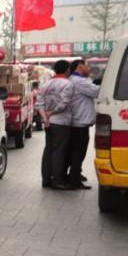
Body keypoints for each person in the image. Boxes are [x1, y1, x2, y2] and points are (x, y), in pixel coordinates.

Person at [38, 60, 74, 190]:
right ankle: (57, 181)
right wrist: (51, 113)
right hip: (61, 122)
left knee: (48, 150)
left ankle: (46, 180)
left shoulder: (46, 84)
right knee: (59, 152)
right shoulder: (67, 84)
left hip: (49, 123)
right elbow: (63, 104)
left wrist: (45, 118)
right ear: (67, 70)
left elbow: (40, 104)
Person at [67, 59, 99, 189]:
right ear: (80, 67)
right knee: (78, 152)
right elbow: (96, 91)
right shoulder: (79, 81)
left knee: (77, 152)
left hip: (78, 122)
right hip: (79, 124)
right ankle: (74, 180)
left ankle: (75, 174)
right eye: (87, 66)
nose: (89, 68)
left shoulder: (76, 80)